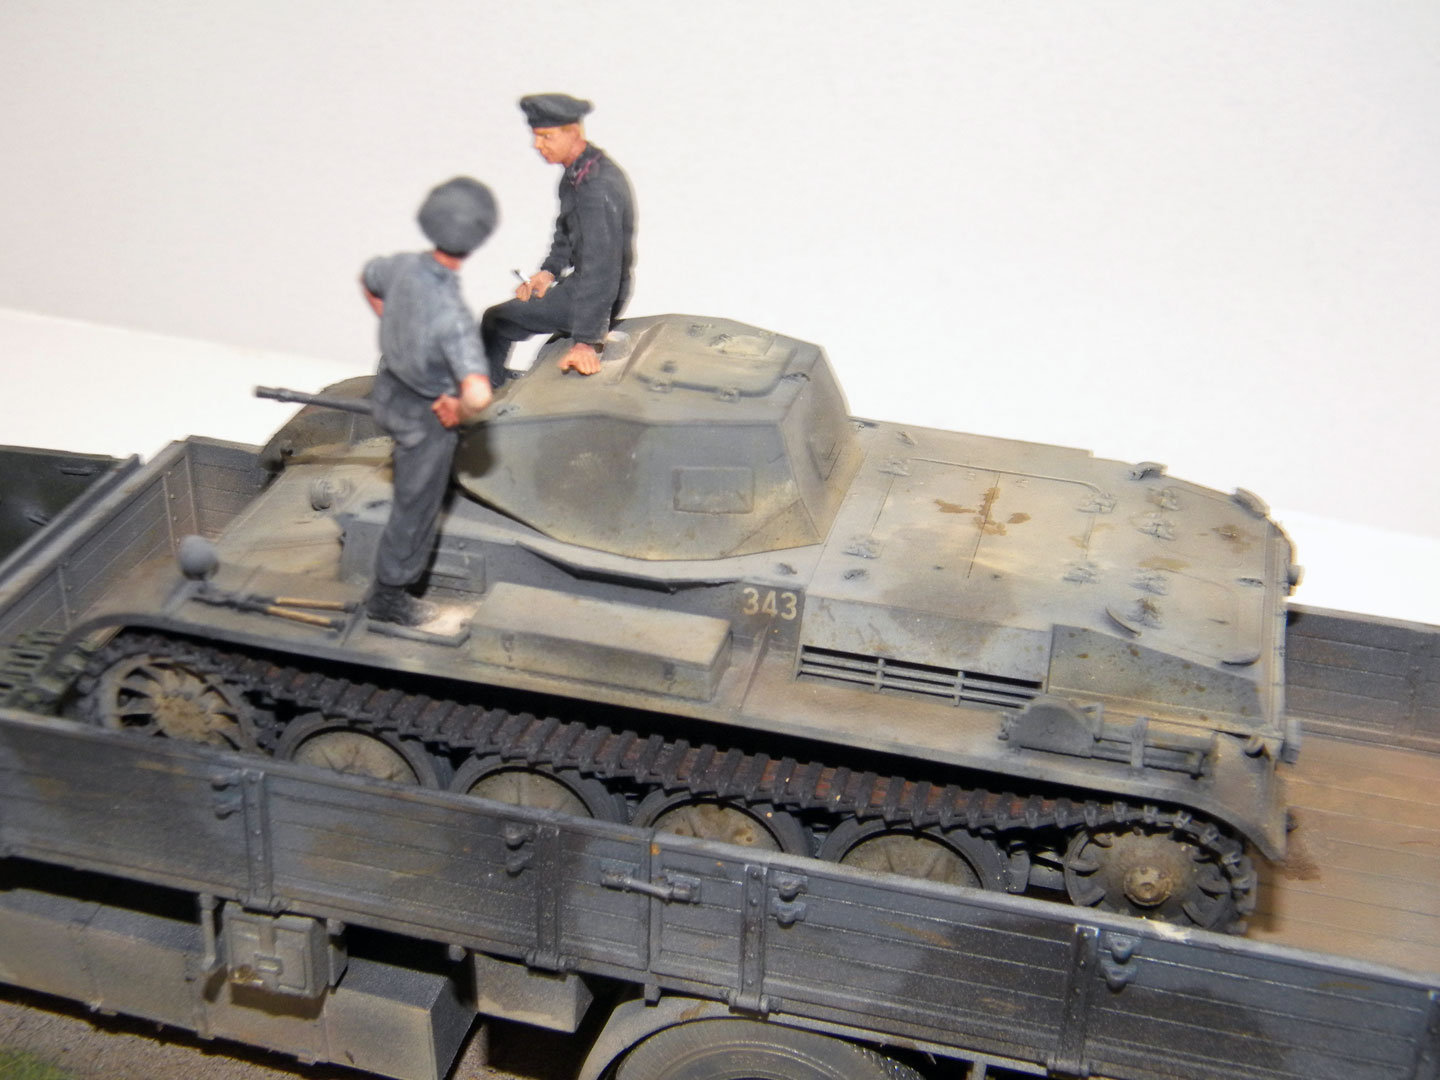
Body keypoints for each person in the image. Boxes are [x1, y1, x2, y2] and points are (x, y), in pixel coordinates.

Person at [361, 177, 497, 627]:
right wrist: (457, 409)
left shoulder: (401, 267)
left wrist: (389, 316)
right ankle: (389, 596)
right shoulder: (452, 317)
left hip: (389, 391)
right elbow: (478, 393)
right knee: (415, 507)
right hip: (425, 417)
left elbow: (368, 277)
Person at [480, 93, 635, 386]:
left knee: (496, 320)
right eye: (536, 136)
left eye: (546, 137)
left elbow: (602, 268)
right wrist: (548, 272)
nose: (537, 145)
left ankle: (485, 393)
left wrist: (586, 340)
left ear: (573, 133)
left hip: (598, 292)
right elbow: (565, 232)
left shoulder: (596, 188)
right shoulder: (577, 175)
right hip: (583, 284)